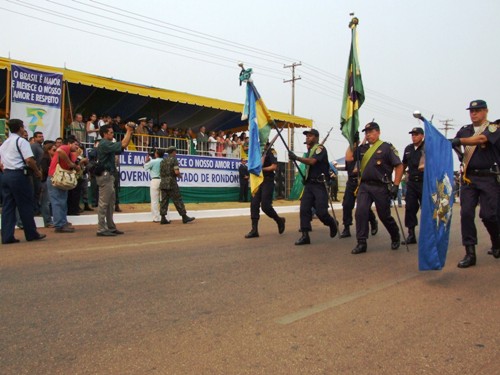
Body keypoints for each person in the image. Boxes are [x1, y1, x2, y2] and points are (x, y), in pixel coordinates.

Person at [451, 100, 500, 266]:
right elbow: (455, 143)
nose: (474, 113)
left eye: (478, 110)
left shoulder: (493, 127)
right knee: (466, 214)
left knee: (489, 215)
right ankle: (470, 253)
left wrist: (459, 142)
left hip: (488, 178)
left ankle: (496, 241)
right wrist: (458, 152)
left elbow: (480, 140)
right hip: (469, 178)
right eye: (471, 111)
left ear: (486, 111)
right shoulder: (465, 130)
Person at [351, 122, 403, 254]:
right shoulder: (362, 149)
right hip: (365, 186)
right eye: (366, 132)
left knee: (384, 216)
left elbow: (399, 166)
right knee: (360, 212)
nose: (368, 134)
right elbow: (349, 157)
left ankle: (395, 234)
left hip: (381, 187)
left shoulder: (386, 147)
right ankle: (361, 242)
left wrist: (396, 185)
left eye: (371, 131)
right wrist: (354, 141)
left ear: (378, 132)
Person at [288, 129, 338, 245]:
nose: (307, 138)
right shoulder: (310, 150)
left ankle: (332, 223)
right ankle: (305, 235)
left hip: (320, 185)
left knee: (321, 212)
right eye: (306, 136)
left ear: (316, 137)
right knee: (304, 209)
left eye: (310, 136)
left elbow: (312, 162)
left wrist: (297, 158)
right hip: (310, 184)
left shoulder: (320, 149)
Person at [0, 119, 46, 244]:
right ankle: (31, 233)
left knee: (8, 206)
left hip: (6, 175)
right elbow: (29, 160)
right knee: (25, 205)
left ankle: (7, 236)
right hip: (18, 175)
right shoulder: (21, 141)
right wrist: (37, 171)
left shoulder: (5, 143)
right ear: (20, 128)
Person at [95, 123, 134, 236]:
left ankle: (110, 227)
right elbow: (123, 143)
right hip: (106, 175)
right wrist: (128, 130)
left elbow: (123, 145)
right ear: (104, 134)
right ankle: (101, 228)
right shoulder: (104, 144)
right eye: (111, 132)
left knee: (110, 203)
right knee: (104, 203)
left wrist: (130, 132)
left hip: (108, 175)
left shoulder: (106, 144)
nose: (112, 134)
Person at [244, 143, 285, 238]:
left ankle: (279, 220)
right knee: (254, 204)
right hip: (257, 181)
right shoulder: (256, 152)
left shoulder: (271, 152)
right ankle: (254, 230)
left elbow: (274, 166)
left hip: (267, 180)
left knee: (265, 206)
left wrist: (261, 169)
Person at [341, 135, 378, 239]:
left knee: (363, 206)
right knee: (347, 205)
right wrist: (352, 145)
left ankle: (372, 221)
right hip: (351, 182)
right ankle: (346, 227)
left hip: (362, 182)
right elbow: (348, 158)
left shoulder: (366, 149)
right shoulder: (351, 151)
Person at [47, 137, 80, 233]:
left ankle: (62, 221)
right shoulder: (65, 147)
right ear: (69, 143)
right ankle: (59, 224)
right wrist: (69, 162)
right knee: (58, 201)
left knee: (62, 201)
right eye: (75, 144)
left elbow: (73, 164)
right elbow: (60, 151)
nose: (77, 147)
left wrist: (75, 156)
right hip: (55, 177)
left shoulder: (70, 152)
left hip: (60, 178)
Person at [401, 127, 425, 245]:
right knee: (410, 208)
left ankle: (428, 234)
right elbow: (403, 165)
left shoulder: (427, 147)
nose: (414, 136)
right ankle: (411, 234)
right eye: (412, 134)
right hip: (412, 183)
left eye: (416, 134)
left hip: (424, 182)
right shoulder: (408, 149)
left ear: (422, 136)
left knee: (426, 209)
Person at [159, 146, 195, 224]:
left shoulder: (163, 161)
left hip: (163, 183)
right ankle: (184, 217)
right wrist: (180, 176)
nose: (176, 153)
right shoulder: (174, 160)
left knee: (164, 201)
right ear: (173, 152)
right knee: (178, 200)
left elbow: (161, 172)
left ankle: (163, 218)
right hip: (171, 183)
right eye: (175, 152)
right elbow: (176, 172)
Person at [144, 148, 166, 223]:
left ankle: (156, 218)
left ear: (156, 154)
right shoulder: (165, 161)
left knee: (154, 200)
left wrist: (146, 161)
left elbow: (144, 167)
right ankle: (166, 217)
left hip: (155, 180)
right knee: (164, 200)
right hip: (164, 180)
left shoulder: (153, 161)